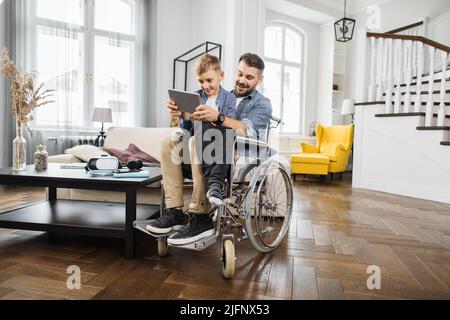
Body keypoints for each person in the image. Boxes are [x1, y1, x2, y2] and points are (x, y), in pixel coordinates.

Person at [149, 53, 272, 246]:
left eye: (249, 77)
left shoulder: (262, 104)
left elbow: (245, 129)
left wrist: (218, 117)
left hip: (229, 157)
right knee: (169, 142)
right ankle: (175, 212)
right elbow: (190, 128)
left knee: (197, 140)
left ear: (260, 79)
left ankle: (200, 216)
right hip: (200, 150)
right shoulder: (217, 94)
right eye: (240, 74)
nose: (241, 80)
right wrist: (184, 114)